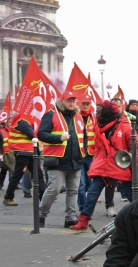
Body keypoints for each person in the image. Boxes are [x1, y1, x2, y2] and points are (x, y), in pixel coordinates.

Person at [70, 101, 138, 230]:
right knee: (93, 193)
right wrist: (97, 163)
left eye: (98, 112)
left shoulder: (125, 127)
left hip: (121, 167)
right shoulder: (99, 127)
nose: (95, 113)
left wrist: (137, 167)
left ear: (106, 114)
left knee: (132, 196)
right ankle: (83, 221)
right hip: (104, 166)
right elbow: (99, 149)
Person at [37, 95, 85, 228]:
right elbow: (41, 134)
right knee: (54, 189)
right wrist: (59, 138)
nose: (72, 103)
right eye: (69, 101)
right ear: (61, 101)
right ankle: (41, 215)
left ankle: (70, 218)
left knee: (73, 191)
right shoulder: (51, 114)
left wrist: (84, 152)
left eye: (73, 101)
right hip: (57, 160)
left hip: (75, 160)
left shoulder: (78, 117)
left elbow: (84, 137)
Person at [3, 114, 46, 206]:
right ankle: (8, 197)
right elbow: (33, 135)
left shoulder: (23, 121)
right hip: (24, 153)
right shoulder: (22, 122)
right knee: (17, 176)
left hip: (29, 153)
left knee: (38, 175)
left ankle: (44, 198)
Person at [77, 99, 98, 216]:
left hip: (91, 154)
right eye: (83, 103)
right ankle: (83, 209)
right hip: (79, 154)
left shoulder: (93, 117)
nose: (85, 106)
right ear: (78, 104)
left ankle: (86, 205)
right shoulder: (75, 117)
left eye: (87, 104)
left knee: (90, 183)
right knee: (81, 184)